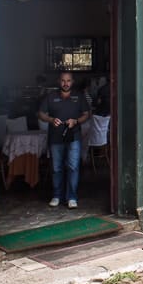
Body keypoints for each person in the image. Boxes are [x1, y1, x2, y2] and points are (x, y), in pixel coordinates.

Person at [38, 71, 90, 209]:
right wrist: (50, 119)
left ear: (72, 82)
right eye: (63, 80)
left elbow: (86, 114)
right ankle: (56, 196)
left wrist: (76, 121)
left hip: (74, 137)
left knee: (73, 167)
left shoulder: (79, 97)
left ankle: (72, 197)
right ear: (58, 81)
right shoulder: (51, 96)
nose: (65, 83)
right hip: (55, 137)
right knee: (56, 168)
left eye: (68, 80)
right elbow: (41, 113)